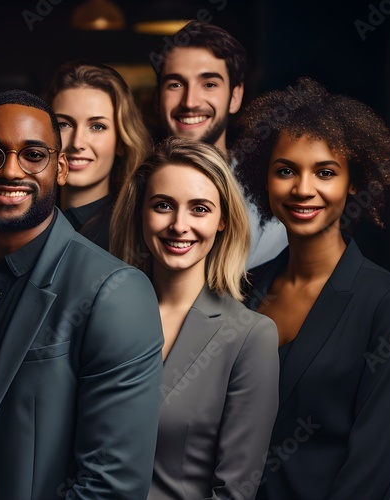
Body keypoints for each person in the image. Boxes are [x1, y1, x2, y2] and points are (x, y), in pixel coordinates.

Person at [0, 89, 164, 499]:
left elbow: (111, 487)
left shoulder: (115, 292)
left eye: (33, 155)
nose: (11, 171)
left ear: (60, 169)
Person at [232, 78, 390, 500]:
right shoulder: (243, 290)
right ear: (263, 179)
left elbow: (371, 465)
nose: (303, 189)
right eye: (286, 170)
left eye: (325, 172)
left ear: (353, 182)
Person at [110, 137, 278, 499]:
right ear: (140, 212)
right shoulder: (102, 318)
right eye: (163, 206)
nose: (179, 225)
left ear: (222, 220)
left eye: (199, 209)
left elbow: (234, 491)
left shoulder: (250, 337)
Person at [150, 21, 286, 269]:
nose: (190, 101)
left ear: (234, 97)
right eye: (175, 84)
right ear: (158, 98)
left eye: (209, 84)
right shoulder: (133, 193)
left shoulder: (271, 209)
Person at [42, 60, 152, 250]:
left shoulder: (136, 235)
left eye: (97, 126)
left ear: (120, 142)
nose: (77, 143)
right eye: (63, 124)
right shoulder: (29, 223)